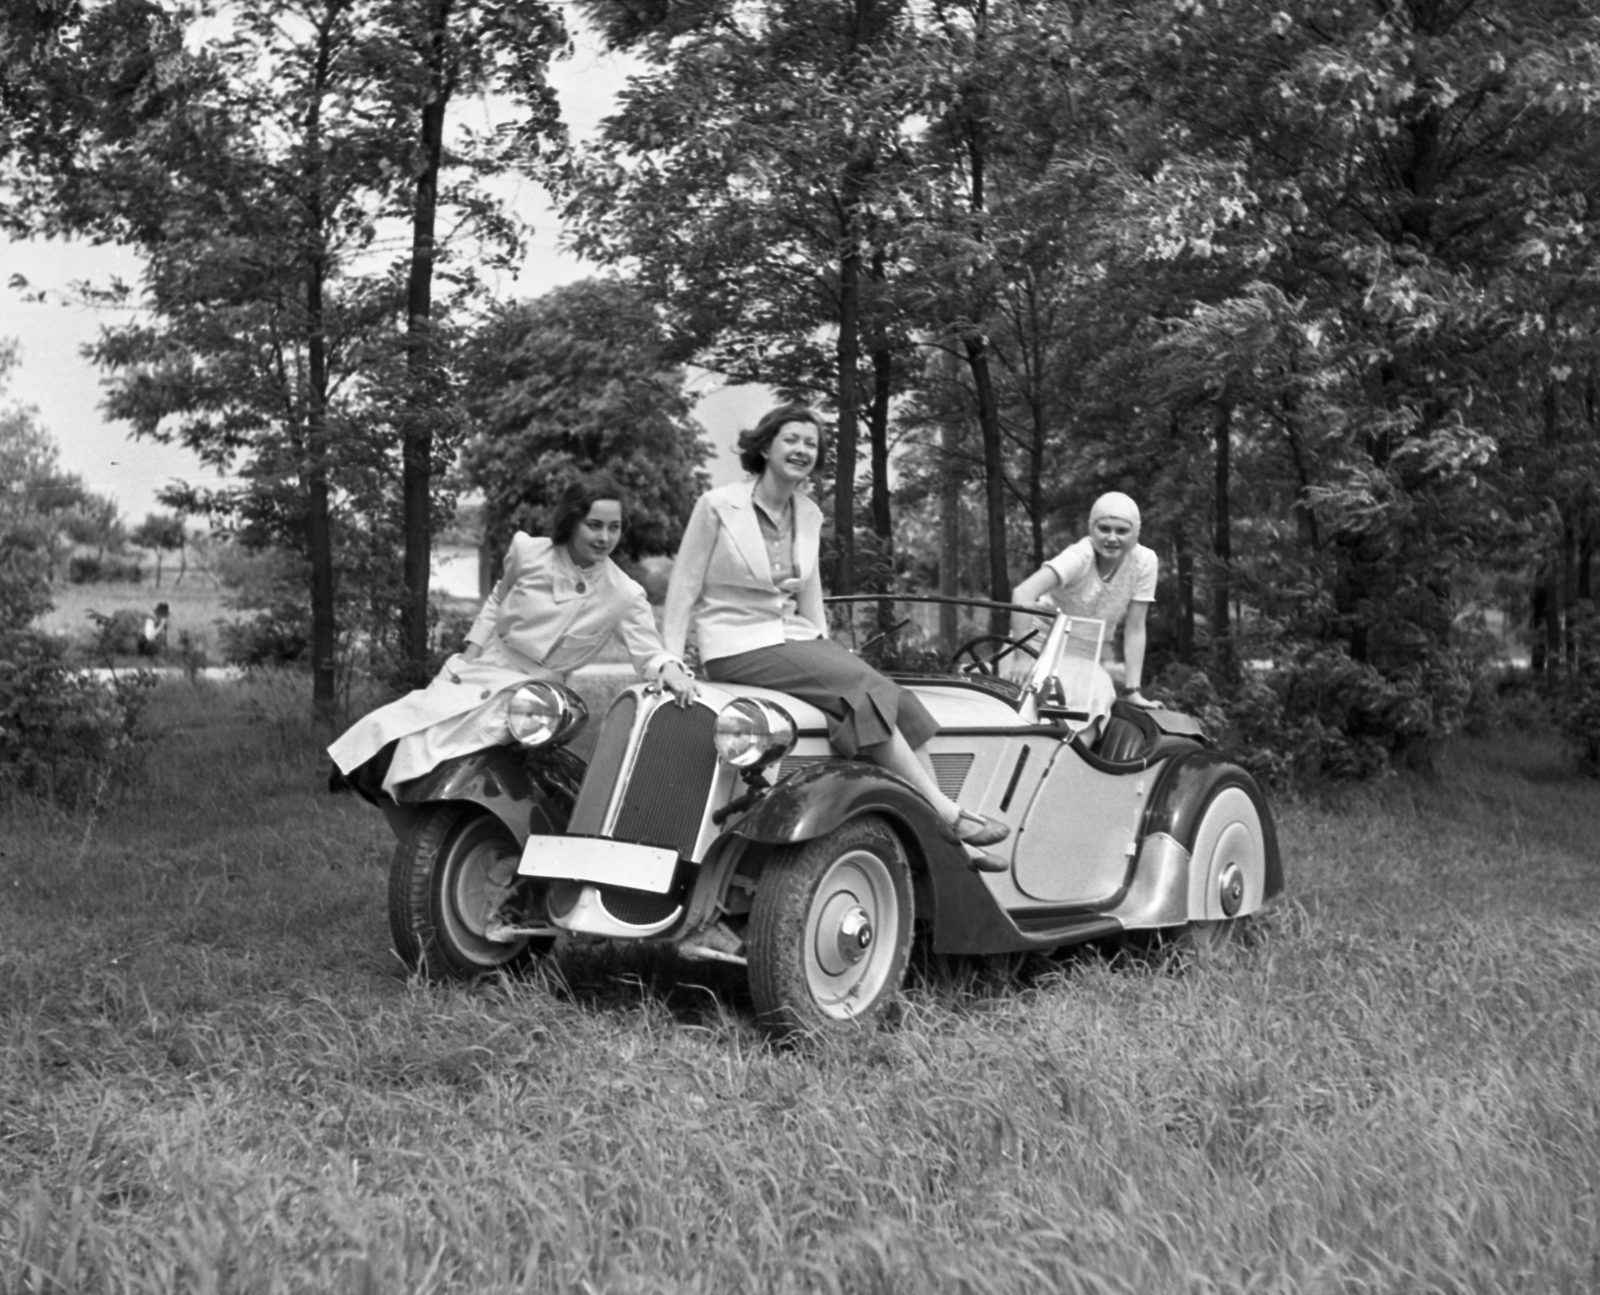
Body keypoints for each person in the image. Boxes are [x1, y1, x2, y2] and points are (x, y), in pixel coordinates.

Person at [663, 404, 1008, 848]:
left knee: (892, 697)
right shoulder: (717, 506)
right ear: (766, 447)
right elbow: (684, 585)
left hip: (791, 637)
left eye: (811, 443)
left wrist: (829, 652)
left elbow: (810, 592)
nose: (802, 450)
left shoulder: (807, 513)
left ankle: (938, 828)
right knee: (864, 689)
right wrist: (671, 660)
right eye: (791, 439)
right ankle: (946, 817)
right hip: (736, 642)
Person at [329, 474, 696, 795]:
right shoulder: (529, 553)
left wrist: (672, 670)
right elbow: (498, 598)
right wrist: (469, 655)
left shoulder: (623, 593)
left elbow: (650, 653)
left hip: (537, 697)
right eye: (594, 524)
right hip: (486, 666)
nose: (604, 537)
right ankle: (360, 780)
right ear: (571, 520)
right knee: (398, 724)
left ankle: (434, 809)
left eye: (613, 527)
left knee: (453, 747)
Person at [1007, 491, 1161, 709]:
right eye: (1104, 529)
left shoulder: (1145, 562)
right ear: (1091, 529)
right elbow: (1023, 593)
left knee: (1091, 702)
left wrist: (1133, 690)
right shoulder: (1079, 556)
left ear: (1136, 532)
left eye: (1122, 531)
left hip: (1085, 649)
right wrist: (1022, 658)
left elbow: (1135, 628)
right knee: (1022, 702)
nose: (1112, 538)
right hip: (1040, 640)